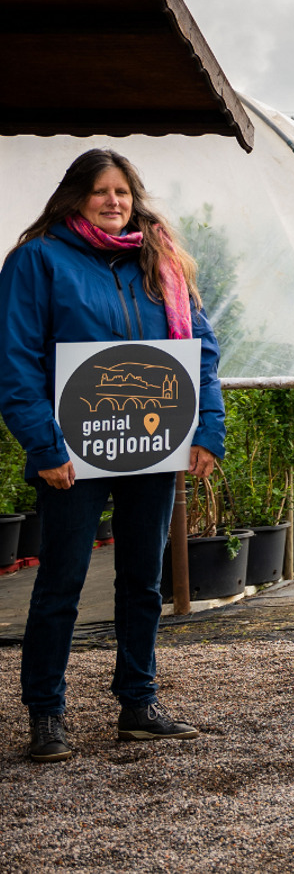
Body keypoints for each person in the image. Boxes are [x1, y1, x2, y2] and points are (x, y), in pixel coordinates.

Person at [0, 149, 224, 762]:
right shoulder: (38, 260)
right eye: (100, 190)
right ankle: (46, 714)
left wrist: (209, 430)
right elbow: (16, 361)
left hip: (152, 446)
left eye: (122, 190)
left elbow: (201, 351)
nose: (113, 200)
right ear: (75, 196)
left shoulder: (162, 262)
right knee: (62, 582)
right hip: (72, 452)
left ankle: (138, 702)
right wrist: (43, 444)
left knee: (142, 580)